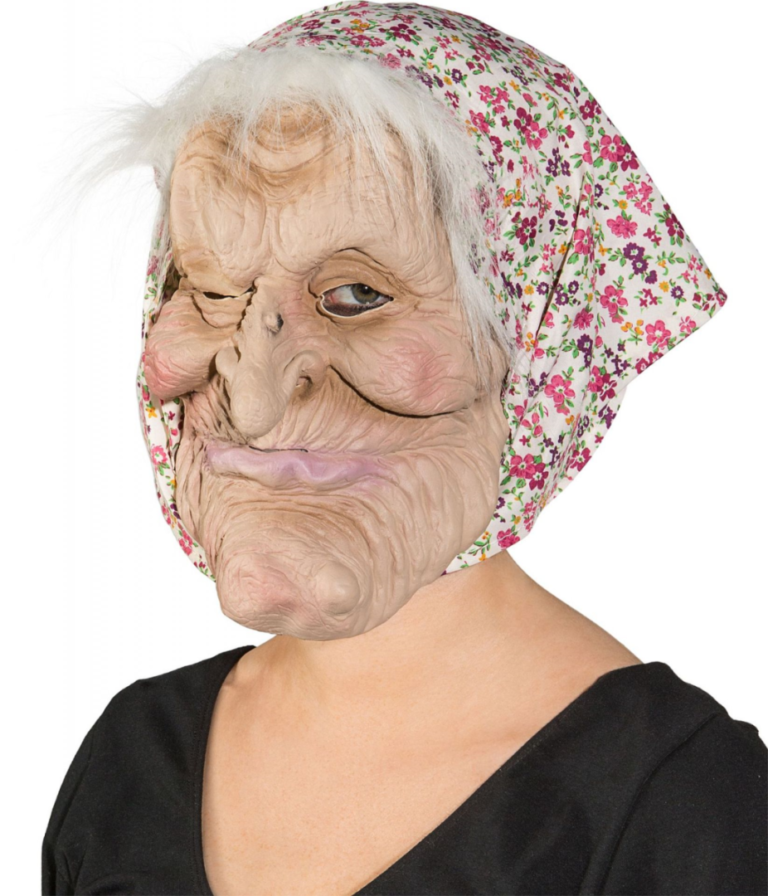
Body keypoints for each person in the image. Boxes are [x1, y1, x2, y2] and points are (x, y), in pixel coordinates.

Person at [42, 3, 767, 894]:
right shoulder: (126, 761)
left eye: (356, 296)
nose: (252, 393)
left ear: (539, 341)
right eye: (214, 291)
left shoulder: (684, 809)